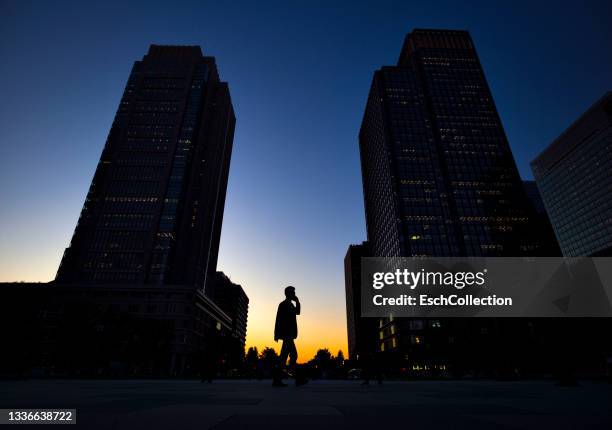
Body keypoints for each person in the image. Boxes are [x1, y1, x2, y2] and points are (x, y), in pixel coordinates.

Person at [273, 286, 307, 386]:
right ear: (288, 293)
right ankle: (298, 379)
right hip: (286, 334)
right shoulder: (283, 304)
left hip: (290, 334)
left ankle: (279, 380)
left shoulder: (291, 304)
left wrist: (297, 302)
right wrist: (277, 334)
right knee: (292, 356)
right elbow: (278, 319)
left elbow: (298, 312)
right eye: (293, 292)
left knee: (286, 357)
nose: (294, 294)